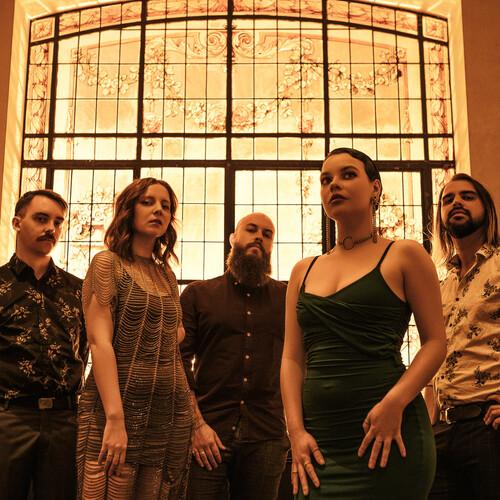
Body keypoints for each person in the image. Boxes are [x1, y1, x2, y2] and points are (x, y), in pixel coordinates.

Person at [281, 147, 447, 499]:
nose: (334, 185)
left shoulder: (404, 254)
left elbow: (435, 343)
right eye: (326, 179)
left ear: (375, 187)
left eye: (347, 175)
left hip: (388, 432)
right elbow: (292, 359)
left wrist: (395, 402)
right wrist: (295, 431)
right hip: (318, 441)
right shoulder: (303, 271)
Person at [76, 178, 192, 499]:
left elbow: (176, 336)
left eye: (165, 206)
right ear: (129, 209)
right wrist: (115, 419)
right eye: (148, 202)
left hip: (167, 412)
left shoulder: (166, 274)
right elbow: (99, 343)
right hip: (115, 410)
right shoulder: (108, 263)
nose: (158, 210)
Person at [180, 212, 289, 500]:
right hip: (207, 434)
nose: (259, 237)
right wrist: (195, 426)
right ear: (233, 238)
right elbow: (178, 362)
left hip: (267, 435)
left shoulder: (288, 298)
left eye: (267, 234)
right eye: (251, 229)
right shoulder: (197, 294)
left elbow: (300, 363)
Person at [0, 189, 87, 500]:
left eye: (58, 222)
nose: (51, 228)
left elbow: (85, 350)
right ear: (17, 223)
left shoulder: (79, 290)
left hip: (66, 420)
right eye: (41, 218)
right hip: (9, 418)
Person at [425, 173, 500, 500]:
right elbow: (434, 362)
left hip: (489, 428)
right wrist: (426, 427)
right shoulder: (441, 286)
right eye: (448, 199)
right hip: (441, 431)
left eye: (467, 196)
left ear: (487, 209)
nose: (456, 202)